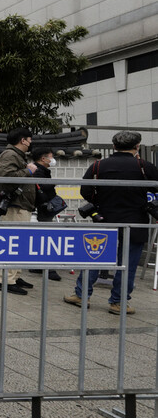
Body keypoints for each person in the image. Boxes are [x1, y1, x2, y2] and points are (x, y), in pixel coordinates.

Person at [65, 130, 158, 315]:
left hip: (104, 217)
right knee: (129, 263)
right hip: (135, 219)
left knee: (94, 257)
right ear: (137, 146)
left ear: (114, 146)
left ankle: (82, 295)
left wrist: (99, 201)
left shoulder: (99, 165)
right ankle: (119, 302)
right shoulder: (144, 166)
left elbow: (85, 191)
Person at [0, 127, 37, 295]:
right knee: (14, 243)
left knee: (20, 243)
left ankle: (15, 276)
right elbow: (6, 177)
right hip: (14, 205)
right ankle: (6, 280)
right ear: (23, 140)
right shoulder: (10, 155)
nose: (31, 142)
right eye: (29, 139)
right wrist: (28, 171)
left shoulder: (17, 155)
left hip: (20, 205)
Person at [28, 146, 62, 281]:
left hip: (43, 208)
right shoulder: (37, 171)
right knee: (48, 236)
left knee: (40, 236)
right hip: (42, 208)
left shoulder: (42, 170)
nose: (52, 159)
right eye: (51, 156)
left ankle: (38, 265)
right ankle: (49, 268)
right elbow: (43, 187)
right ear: (43, 158)